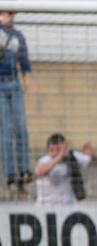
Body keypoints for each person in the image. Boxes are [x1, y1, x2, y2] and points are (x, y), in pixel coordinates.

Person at [0, 11, 34, 193]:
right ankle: (11, 174)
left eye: (11, 13)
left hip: (14, 83)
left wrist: (28, 80)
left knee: (21, 127)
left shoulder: (18, 36)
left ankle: (24, 169)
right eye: (4, 13)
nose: (8, 17)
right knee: (5, 131)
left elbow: (24, 61)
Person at [35, 133, 97, 205]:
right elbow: (40, 172)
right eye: (52, 150)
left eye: (58, 149)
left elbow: (96, 162)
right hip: (46, 206)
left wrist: (92, 153)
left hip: (67, 207)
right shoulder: (45, 160)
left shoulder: (73, 157)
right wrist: (60, 156)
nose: (55, 153)